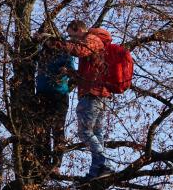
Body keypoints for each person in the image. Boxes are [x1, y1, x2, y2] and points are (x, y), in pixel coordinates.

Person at [46, 20, 115, 180]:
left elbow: (79, 50)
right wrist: (71, 73)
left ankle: (106, 164)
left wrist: (53, 41)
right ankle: (96, 171)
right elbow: (88, 74)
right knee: (96, 134)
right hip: (98, 93)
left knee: (84, 132)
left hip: (93, 94)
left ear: (78, 30)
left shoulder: (92, 38)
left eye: (71, 35)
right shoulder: (95, 42)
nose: (71, 39)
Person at [35, 41, 75, 173]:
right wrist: (36, 39)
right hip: (42, 94)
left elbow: (73, 73)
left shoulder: (65, 53)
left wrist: (65, 72)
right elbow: (29, 52)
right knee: (42, 130)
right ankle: (43, 162)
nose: (51, 44)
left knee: (57, 129)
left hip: (59, 95)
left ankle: (56, 164)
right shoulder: (41, 52)